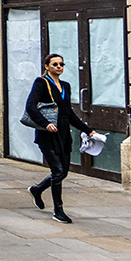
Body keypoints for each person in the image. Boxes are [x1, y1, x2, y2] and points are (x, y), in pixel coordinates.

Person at [25, 52, 92, 224]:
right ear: (46, 66)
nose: (59, 67)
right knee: (58, 171)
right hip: (47, 134)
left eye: (61, 64)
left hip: (63, 134)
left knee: (63, 172)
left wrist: (88, 130)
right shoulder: (41, 83)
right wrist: (45, 123)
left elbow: (68, 113)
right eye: (55, 64)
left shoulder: (66, 86)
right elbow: (31, 106)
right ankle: (58, 210)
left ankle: (37, 189)